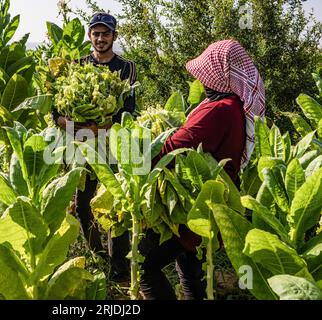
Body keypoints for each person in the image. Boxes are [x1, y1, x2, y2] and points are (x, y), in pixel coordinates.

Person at [140, 40, 266, 299]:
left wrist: (138, 155)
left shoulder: (219, 110)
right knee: (188, 269)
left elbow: (173, 149)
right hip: (209, 203)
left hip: (198, 206)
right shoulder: (232, 106)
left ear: (221, 78)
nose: (202, 80)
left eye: (206, 75)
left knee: (146, 268)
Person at [52, 12, 137, 283]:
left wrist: (100, 127)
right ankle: (98, 256)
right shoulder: (75, 66)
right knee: (83, 205)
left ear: (114, 36)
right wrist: (69, 124)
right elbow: (57, 112)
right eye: (96, 33)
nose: (100, 38)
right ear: (89, 36)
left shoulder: (126, 68)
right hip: (80, 145)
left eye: (106, 34)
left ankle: (119, 268)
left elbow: (128, 112)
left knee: (115, 202)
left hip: (114, 146)